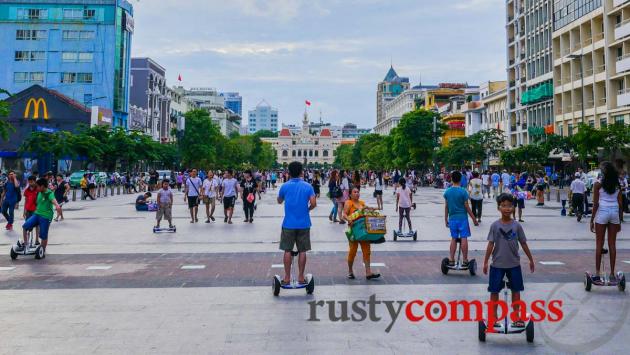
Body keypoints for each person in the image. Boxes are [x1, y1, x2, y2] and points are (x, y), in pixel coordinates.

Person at [482, 193, 535, 329]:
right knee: (494, 291)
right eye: (503, 205)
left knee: (516, 291)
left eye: (510, 206)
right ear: (498, 207)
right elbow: (490, 244)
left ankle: (516, 316)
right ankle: (493, 317)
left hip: (514, 264)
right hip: (497, 265)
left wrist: (531, 259)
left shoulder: (517, 226)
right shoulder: (494, 226)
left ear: (513, 208)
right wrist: (485, 261)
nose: (507, 208)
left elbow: (523, 243)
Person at [277, 162, 317, 285]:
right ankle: (300, 277)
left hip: (288, 223)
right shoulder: (308, 186)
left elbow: (279, 200)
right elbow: (314, 203)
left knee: (287, 250)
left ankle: (287, 277)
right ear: (301, 172)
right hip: (304, 223)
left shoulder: (285, 186)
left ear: (288, 172)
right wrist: (307, 209)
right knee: (302, 250)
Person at [590, 162, 623, 282]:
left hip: (603, 212)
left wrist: (592, 219)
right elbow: (620, 205)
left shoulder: (598, 184)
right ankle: (612, 274)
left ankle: (598, 274)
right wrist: (619, 220)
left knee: (599, 244)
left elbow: (596, 204)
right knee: (612, 244)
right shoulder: (617, 185)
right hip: (614, 212)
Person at [343, 187, 380, 280]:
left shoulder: (362, 203)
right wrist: (349, 219)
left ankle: (368, 273)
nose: (357, 193)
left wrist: (374, 210)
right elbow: (344, 214)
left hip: (363, 232)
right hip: (354, 232)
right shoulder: (349, 203)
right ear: (350, 194)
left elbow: (367, 211)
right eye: (354, 192)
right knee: (352, 252)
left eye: (358, 192)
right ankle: (350, 271)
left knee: (367, 251)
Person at [443, 171, 479, 267]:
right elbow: (467, 207)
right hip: (462, 219)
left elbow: (446, 207)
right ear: (460, 179)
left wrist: (445, 219)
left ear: (451, 179)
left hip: (452, 219)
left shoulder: (447, 192)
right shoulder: (463, 191)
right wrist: (474, 219)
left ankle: (451, 259)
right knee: (464, 238)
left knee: (454, 238)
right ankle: (465, 260)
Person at [17, 178, 62, 254]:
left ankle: (42, 250)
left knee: (43, 235)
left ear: (42, 186)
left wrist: (57, 206)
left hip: (46, 216)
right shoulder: (39, 192)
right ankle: (26, 245)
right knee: (25, 227)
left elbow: (53, 200)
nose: (36, 188)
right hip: (37, 214)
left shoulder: (49, 193)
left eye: (37, 186)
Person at [22, 176, 39, 243]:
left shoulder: (38, 190)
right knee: (27, 226)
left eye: (31, 181)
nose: (30, 183)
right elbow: (25, 201)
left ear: (35, 181)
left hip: (36, 211)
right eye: (29, 181)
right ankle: (26, 241)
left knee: (37, 225)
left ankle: (37, 240)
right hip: (28, 210)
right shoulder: (27, 190)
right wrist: (24, 211)